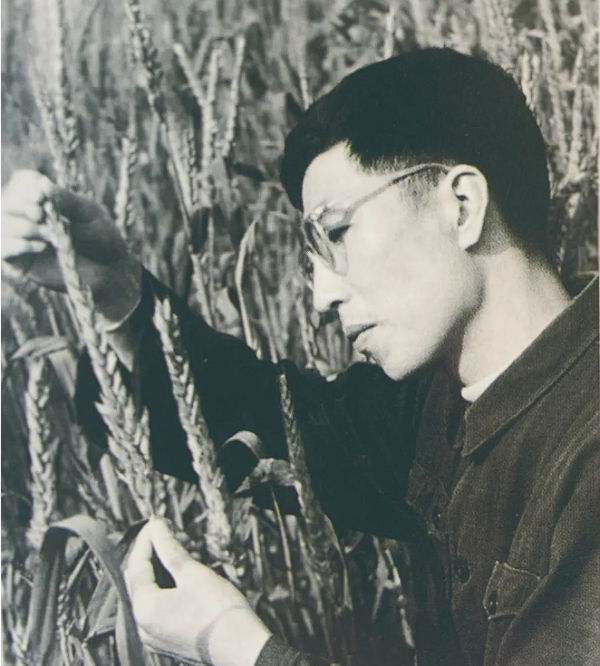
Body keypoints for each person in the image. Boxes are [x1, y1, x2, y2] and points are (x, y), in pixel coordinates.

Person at [2, 48, 598, 666]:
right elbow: (271, 420)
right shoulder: (441, 404)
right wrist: (114, 290)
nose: (321, 297)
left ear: (462, 206)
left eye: (336, 233)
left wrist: (236, 646)